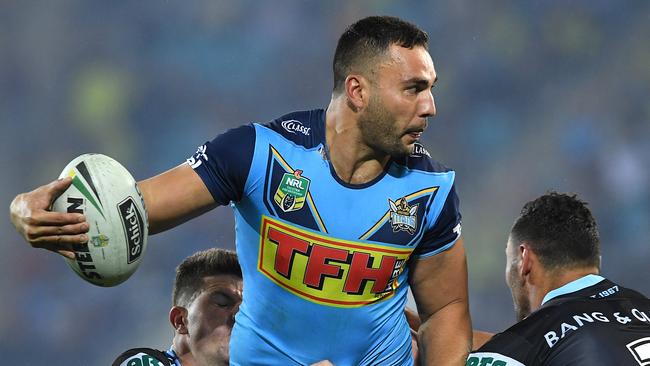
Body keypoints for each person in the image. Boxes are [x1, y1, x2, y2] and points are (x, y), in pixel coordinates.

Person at [11, 16, 471, 365]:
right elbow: (132, 211)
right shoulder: (258, 154)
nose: (430, 107)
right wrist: (23, 210)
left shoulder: (431, 189)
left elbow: (445, 309)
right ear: (357, 91)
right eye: (414, 89)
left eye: (429, 89)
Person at [467, 192, 650, 365]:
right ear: (596, 261)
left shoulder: (532, 342)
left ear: (525, 260)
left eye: (508, 258)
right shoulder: (642, 305)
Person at [112, 248, 243, 366]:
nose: (239, 314)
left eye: (245, 309)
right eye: (222, 302)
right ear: (180, 320)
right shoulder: (143, 362)